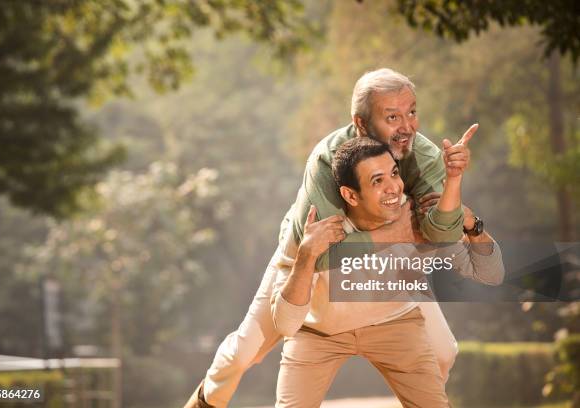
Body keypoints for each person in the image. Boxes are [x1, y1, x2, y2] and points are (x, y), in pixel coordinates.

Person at [184, 68, 476, 408]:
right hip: (303, 266)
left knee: (443, 353)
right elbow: (322, 257)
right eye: (392, 117)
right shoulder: (327, 160)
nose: (407, 127)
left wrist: (453, 184)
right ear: (361, 123)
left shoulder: (423, 156)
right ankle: (203, 402)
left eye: (411, 112)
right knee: (242, 354)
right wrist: (394, 233)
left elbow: (440, 234)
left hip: (384, 270)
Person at [271, 138, 504, 407]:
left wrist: (471, 224)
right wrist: (307, 255)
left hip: (394, 322)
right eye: (377, 181)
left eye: (394, 173)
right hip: (319, 332)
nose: (393, 187)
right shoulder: (315, 229)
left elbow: (491, 273)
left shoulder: (417, 216)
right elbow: (286, 324)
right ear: (351, 195)